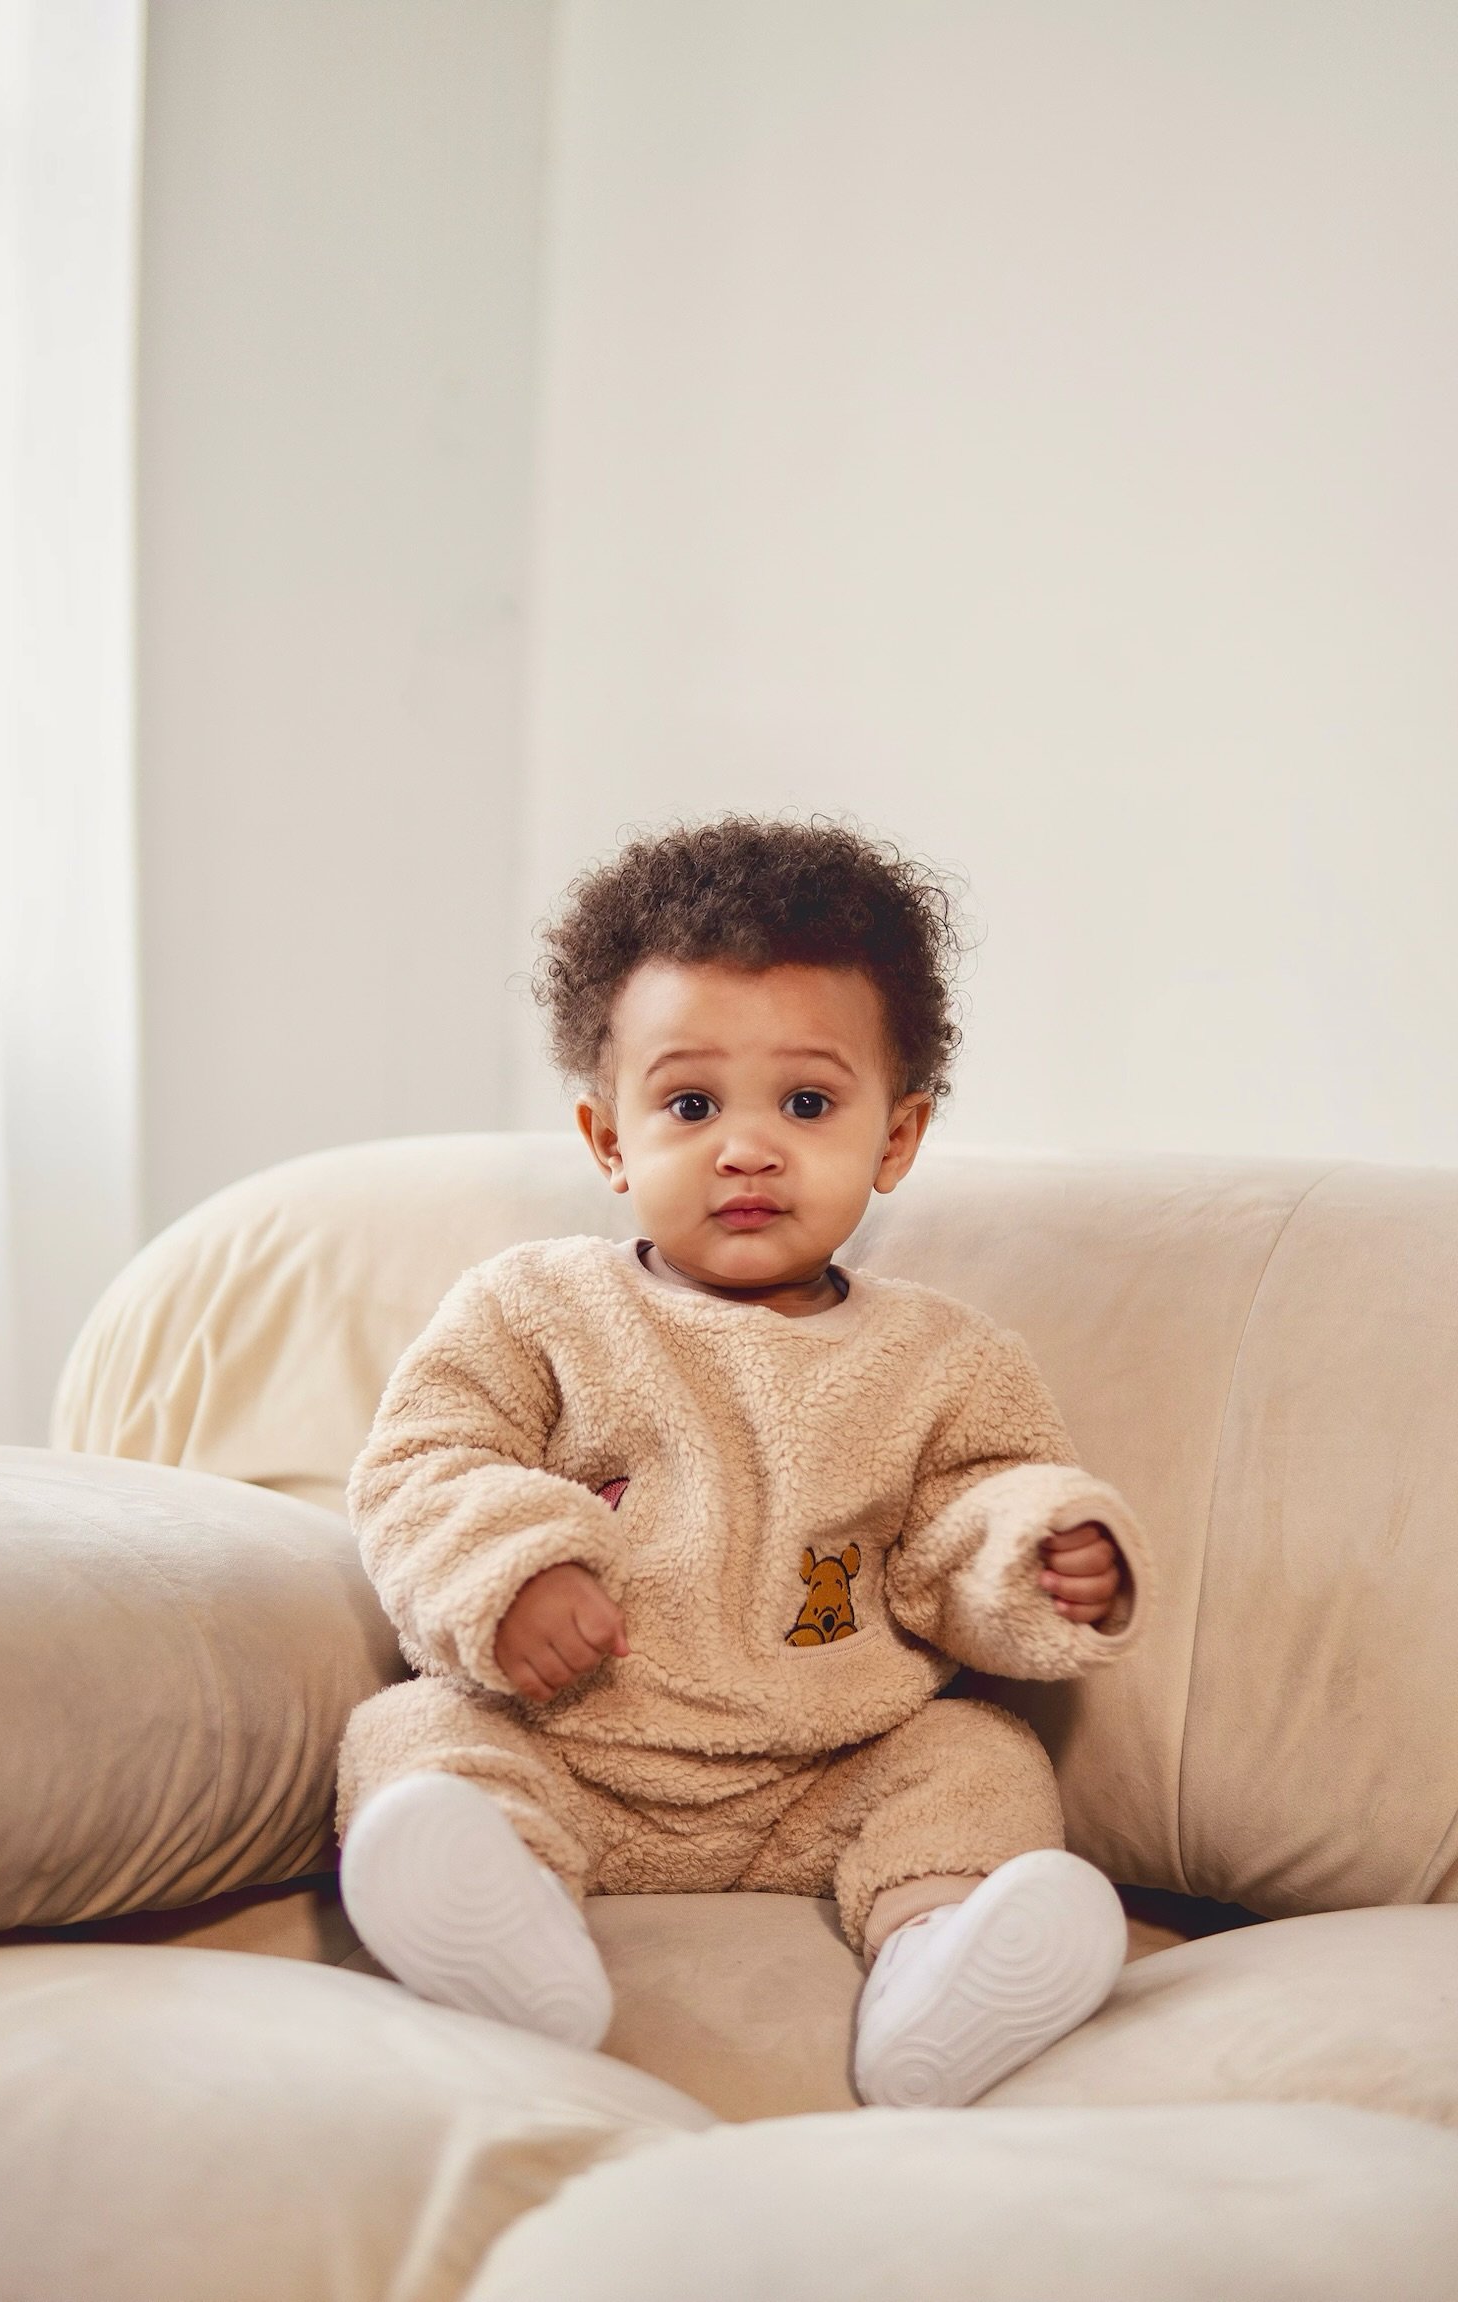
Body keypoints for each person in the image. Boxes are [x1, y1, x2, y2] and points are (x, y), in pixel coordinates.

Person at [336, 817, 1149, 2107]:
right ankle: (507, 1932)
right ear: (610, 1139)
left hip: (819, 1774)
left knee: (979, 1758)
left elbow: (969, 1521)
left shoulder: (945, 1359)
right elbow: (422, 1461)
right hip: (572, 1743)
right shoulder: (533, 1307)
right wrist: (512, 1566)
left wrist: (1041, 1558)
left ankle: (939, 1969)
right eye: (693, 1103)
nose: (748, 1147)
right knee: (412, 1730)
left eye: (809, 1103)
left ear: (897, 1137)